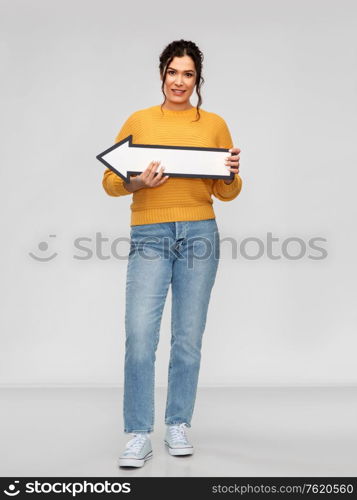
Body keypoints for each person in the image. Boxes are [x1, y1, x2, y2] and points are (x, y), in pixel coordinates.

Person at [102, 39, 242, 468]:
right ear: (162, 73)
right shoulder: (139, 121)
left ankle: (178, 423)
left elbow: (227, 192)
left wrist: (234, 172)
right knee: (140, 335)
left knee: (188, 337)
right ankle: (139, 433)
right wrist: (138, 184)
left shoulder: (214, 124)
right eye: (173, 72)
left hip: (200, 231)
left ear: (197, 80)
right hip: (150, 232)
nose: (179, 81)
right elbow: (110, 183)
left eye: (188, 74)